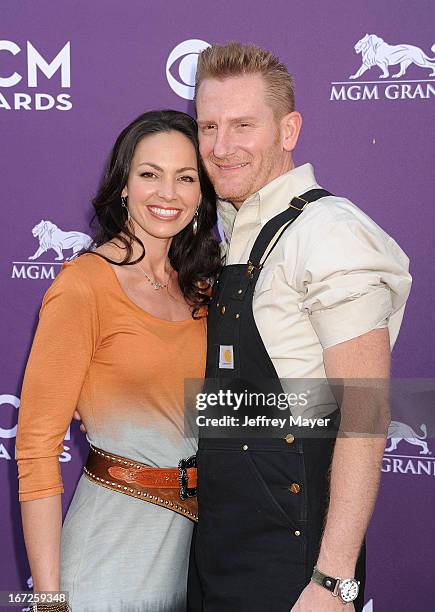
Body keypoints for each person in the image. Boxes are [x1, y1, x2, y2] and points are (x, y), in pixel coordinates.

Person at [187, 42, 412, 612]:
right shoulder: (231, 229)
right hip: (219, 547)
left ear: (289, 130)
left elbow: (365, 415)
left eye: (243, 125)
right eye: (208, 125)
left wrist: (333, 582)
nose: (221, 146)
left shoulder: (331, 232)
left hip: (295, 570)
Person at [16, 110, 221, 612]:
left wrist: (364, 412)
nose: (167, 193)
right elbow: (37, 450)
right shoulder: (84, 285)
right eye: (150, 174)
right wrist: (50, 600)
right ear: (124, 186)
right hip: (110, 555)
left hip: (195, 557)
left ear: (201, 195)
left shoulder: (203, 290)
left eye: (186, 177)